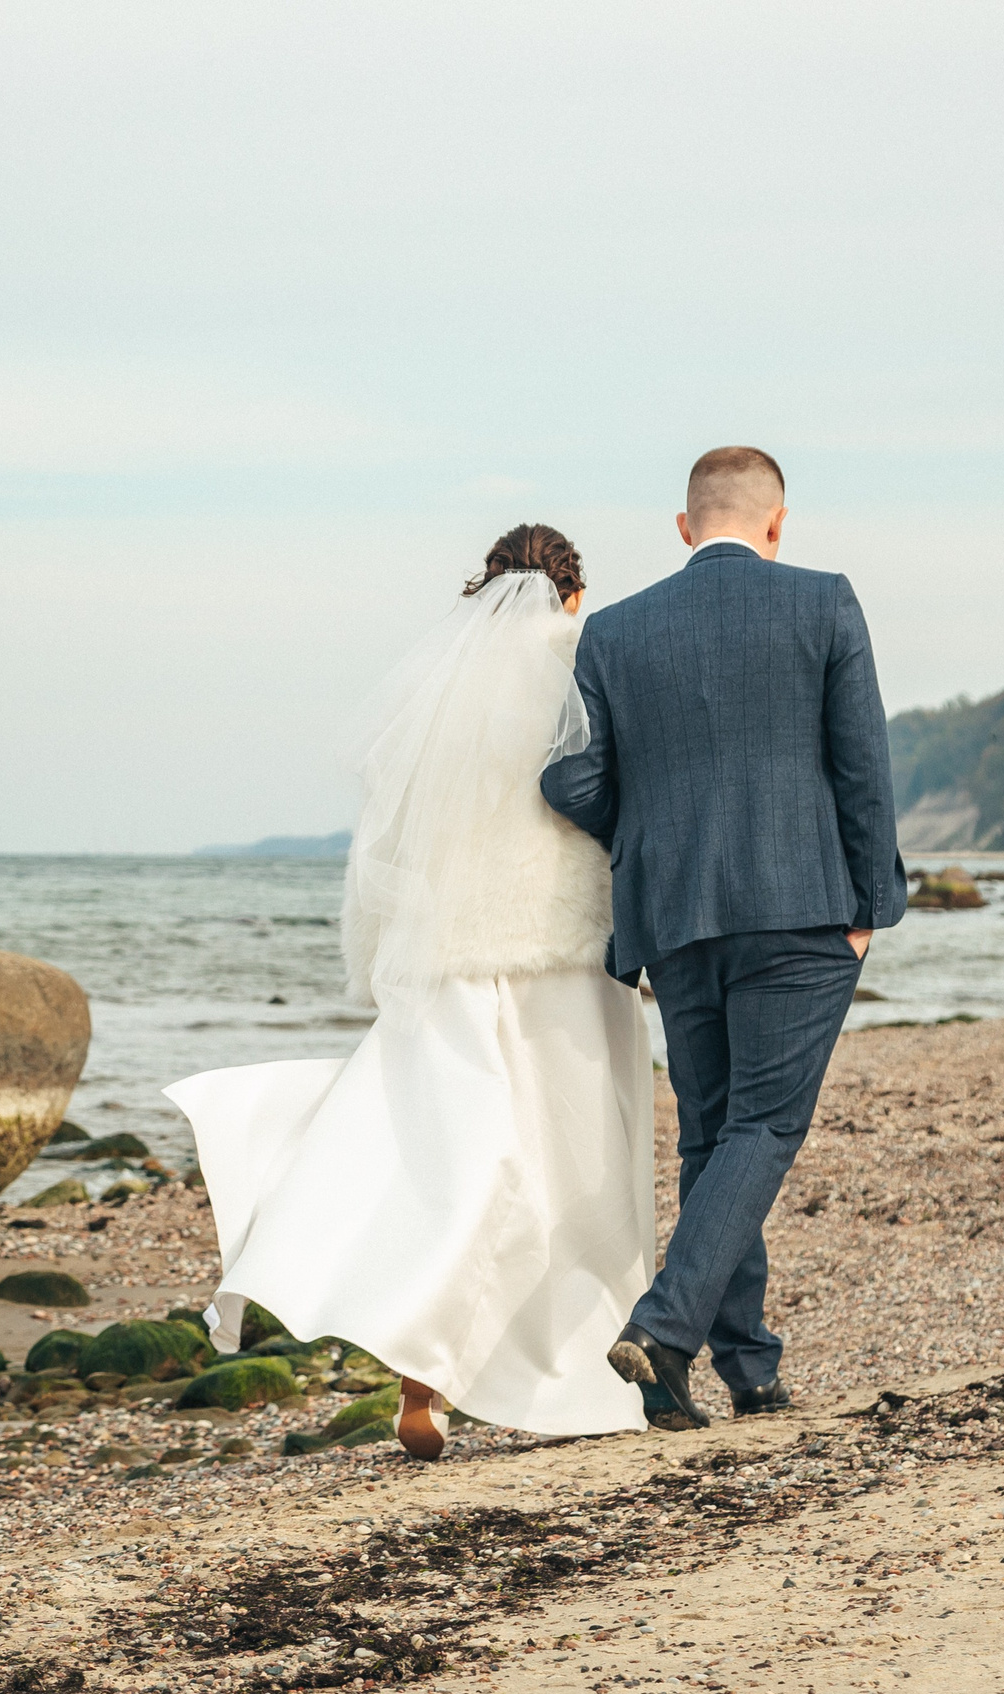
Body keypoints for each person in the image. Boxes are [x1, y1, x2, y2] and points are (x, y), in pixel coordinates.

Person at [166, 525, 657, 1460]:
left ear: (486, 589)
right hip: (563, 944)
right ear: (573, 593)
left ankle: (421, 1381)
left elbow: (394, 841)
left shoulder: (439, 687)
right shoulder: (583, 664)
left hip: (452, 949)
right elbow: (607, 791)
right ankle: (590, 1376)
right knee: (581, 1162)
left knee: (447, 1162)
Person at [544, 446, 908, 1430]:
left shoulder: (613, 633)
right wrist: (871, 907)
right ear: (776, 523)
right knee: (763, 1128)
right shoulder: (825, 602)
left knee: (714, 1133)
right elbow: (861, 767)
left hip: (674, 917)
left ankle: (746, 1369)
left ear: (683, 526)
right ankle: (664, 1331)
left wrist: (653, 836)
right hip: (800, 907)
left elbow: (566, 781)